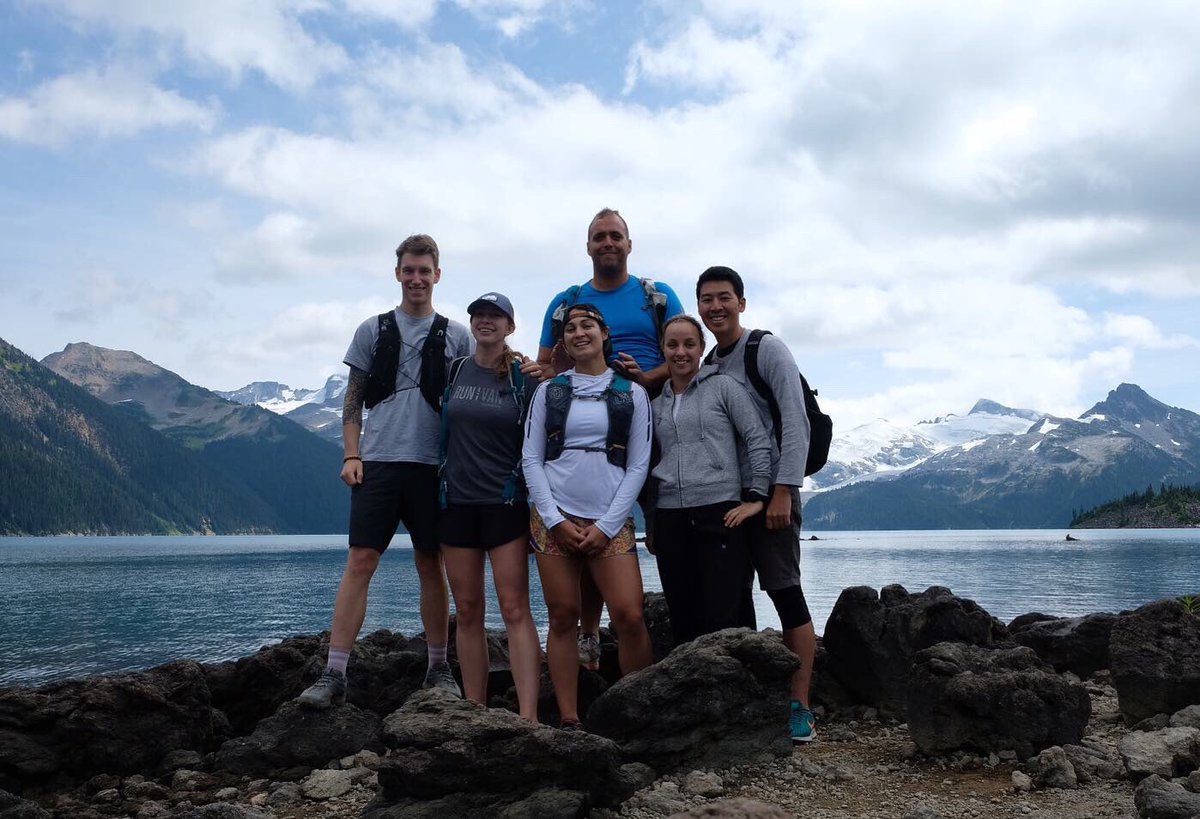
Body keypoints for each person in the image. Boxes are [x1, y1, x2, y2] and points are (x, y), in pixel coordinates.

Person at [298, 234, 473, 708]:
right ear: (397, 274)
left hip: (432, 468)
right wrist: (351, 456)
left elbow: (473, 396)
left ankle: (438, 667)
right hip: (377, 463)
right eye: (408, 270)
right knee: (361, 562)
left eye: (425, 270)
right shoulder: (372, 330)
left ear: (438, 275)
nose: (417, 278)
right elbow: (352, 402)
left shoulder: (458, 335)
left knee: (429, 564)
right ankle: (334, 672)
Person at [532, 207, 684, 671]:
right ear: (588, 246)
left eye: (616, 235)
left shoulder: (654, 295)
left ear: (629, 244)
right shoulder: (568, 301)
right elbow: (549, 364)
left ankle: (679, 623)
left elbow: (683, 352)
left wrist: (639, 382)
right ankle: (589, 633)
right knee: (588, 508)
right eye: (599, 237)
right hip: (585, 415)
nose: (608, 243)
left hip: (651, 411)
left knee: (661, 525)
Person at [695, 265, 818, 744]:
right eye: (706, 299)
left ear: (741, 303)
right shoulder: (710, 361)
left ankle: (800, 705)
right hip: (729, 500)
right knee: (735, 597)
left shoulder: (765, 349)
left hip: (771, 499)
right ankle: (748, 705)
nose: (715, 307)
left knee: (786, 594)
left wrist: (784, 490)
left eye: (724, 297)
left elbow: (795, 419)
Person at [522, 304, 655, 729]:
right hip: (553, 515)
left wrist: (608, 525)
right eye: (571, 329)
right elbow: (530, 457)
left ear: (604, 333)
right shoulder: (549, 391)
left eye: (588, 326)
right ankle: (568, 715)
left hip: (609, 519)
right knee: (562, 616)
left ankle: (637, 709)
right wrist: (554, 518)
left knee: (630, 615)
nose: (579, 333)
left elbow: (638, 465)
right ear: (562, 343)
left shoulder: (632, 393)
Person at [436, 292, 541, 721]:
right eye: (479, 315)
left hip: (505, 503)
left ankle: (529, 714)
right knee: (467, 613)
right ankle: (474, 711)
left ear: (510, 327)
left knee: (515, 609)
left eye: (495, 316)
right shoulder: (456, 370)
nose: (485, 321)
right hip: (455, 502)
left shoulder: (525, 379)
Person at [651, 315, 773, 644]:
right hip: (670, 515)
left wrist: (757, 496)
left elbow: (757, 439)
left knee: (726, 615)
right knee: (683, 612)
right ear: (662, 349)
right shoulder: (654, 405)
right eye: (672, 344)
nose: (681, 352)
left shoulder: (723, 387)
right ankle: (694, 692)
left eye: (689, 344)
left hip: (721, 511)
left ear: (702, 348)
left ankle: (739, 689)